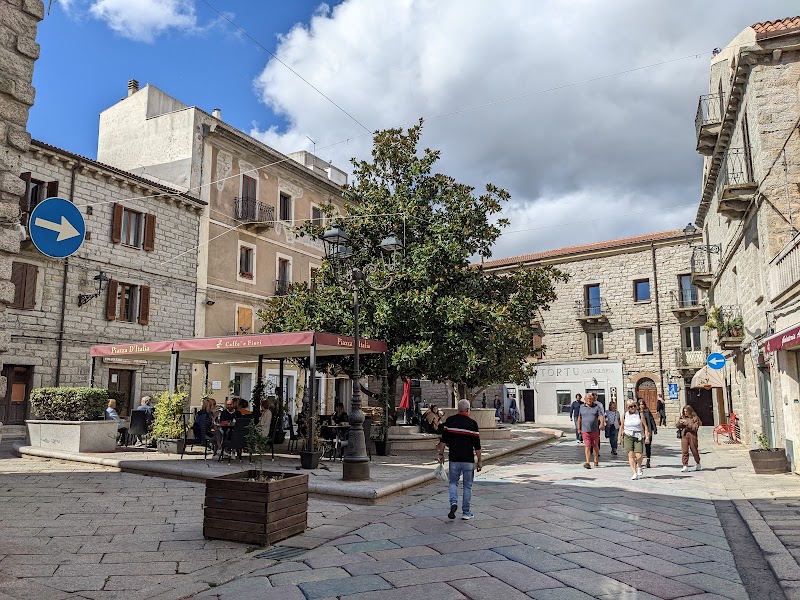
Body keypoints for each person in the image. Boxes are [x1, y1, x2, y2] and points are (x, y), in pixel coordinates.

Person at [437, 399, 482, 520]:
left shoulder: (450, 421)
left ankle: (453, 503)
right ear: (468, 410)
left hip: (454, 459)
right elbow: (477, 445)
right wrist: (480, 460)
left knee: (453, 482)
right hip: (468, 460)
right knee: (467, 486)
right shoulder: (472, 424)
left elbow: (443, 440)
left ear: (458, 409)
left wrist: (441, 454)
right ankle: (466, 513)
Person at [619, 399, 649, 480]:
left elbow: (645, 426)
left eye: (634, 406)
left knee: (639, 454)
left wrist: (647, 436)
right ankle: (634, 472)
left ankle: (639, 466)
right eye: (630, 406)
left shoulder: (639, 414)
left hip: (638, 435)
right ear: (627, 407)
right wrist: (619, 438)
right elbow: (621, 427)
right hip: (628, 435)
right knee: (631, 455)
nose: (632, 408)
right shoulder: (624, 415)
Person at [577, 393, 604, 469]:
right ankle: (588, 462)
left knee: (595, 446)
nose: (589, 400)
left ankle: (596, 460)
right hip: (585, 430)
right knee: (587, 446)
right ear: (585, 400)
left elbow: (601, 415)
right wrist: (578, 428)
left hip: (595, 430)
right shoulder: (581, 407)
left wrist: (601, 423)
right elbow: (579, 418)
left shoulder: (596, 407)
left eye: (591, 399)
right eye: (588, 399)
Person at [677, 405, 702, 472]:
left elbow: (695, 428)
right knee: (684, 451)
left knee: (694, 450)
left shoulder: (695, 418)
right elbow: (677, 426)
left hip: (692, 435)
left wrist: (687, 423)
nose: (685, 413)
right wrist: (680, 423)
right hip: (684, 435)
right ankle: (685, 465)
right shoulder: (682, 417)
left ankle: (698, 463)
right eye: (684, 411)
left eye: (686, 411)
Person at [638, 399, 658, 468]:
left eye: (642, 404)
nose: (641, 406)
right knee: (639, 446)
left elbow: (652, 420)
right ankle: (639, 460)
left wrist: (654, 429)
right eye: (640, 404)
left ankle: (648, 460)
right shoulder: (636, 412)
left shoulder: (647, 412)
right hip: (639, 431)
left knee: (648, 446)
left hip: (648, 430)